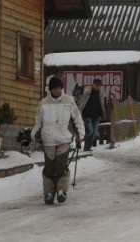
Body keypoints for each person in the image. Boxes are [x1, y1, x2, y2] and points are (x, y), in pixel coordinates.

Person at [32, 77, 85, 205]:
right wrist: (33, 135)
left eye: (60, 88)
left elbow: (78, 119)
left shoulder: (69, 101)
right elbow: (38, 121)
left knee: (61, 166)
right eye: (56, 88)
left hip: (64, 139)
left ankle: (61, 190)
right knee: (49, 168)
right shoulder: (43, 103)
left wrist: (80, 135)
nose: (58, 90)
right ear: (51, 89)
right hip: (48, 139)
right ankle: (49, 192)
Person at [79, 78, 107, 152]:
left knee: (94, 133)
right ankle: (84, 146)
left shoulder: (100, 93)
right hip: (87, 115)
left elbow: (101, 104)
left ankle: (87, 147)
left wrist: (102, 113)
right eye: (96, 85)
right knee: (90, 131)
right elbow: (82, 102)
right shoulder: (87, 92)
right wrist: (80, 112)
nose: (98, 87)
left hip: (96, 116)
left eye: (99, 85)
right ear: (93, 84)